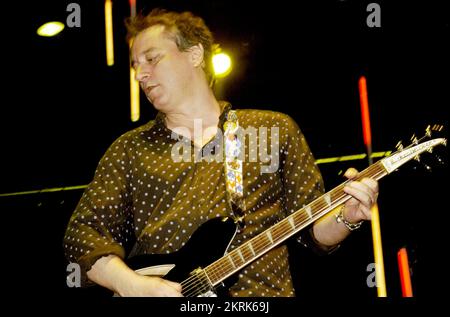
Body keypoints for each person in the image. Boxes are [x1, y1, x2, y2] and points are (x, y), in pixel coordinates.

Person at [63, 8, 379, 297]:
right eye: (135, 65)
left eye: (152, 59)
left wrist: (346, 217)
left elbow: (314, 234)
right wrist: (132, 285)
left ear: (195, 54)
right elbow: (82, 235)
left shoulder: (272, 130)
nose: (139, 75)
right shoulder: (129, 148)